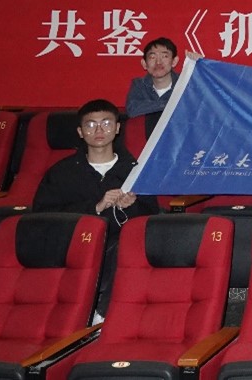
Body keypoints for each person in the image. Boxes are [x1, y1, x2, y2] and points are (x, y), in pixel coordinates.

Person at [33, 99, 160, 319]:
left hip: (120, 244)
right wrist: (96, 207)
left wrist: (130, 207)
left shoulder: (134, 171)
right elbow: (43, 217)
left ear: (117, 128)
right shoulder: (61, 172)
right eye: (91, 125)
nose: (99, 130)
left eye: (106, 123)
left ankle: (100, 314)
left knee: (126, 246)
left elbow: (151, 218)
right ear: (80, 132)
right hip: (74, 242)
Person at [124, 37, 179, 117]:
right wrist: (171, 104)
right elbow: (132, 110)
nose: (158, 62)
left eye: (164, 56)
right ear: (144, 64)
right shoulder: (139, 85)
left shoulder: (185, 83)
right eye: (152, 57)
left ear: (174, 61)